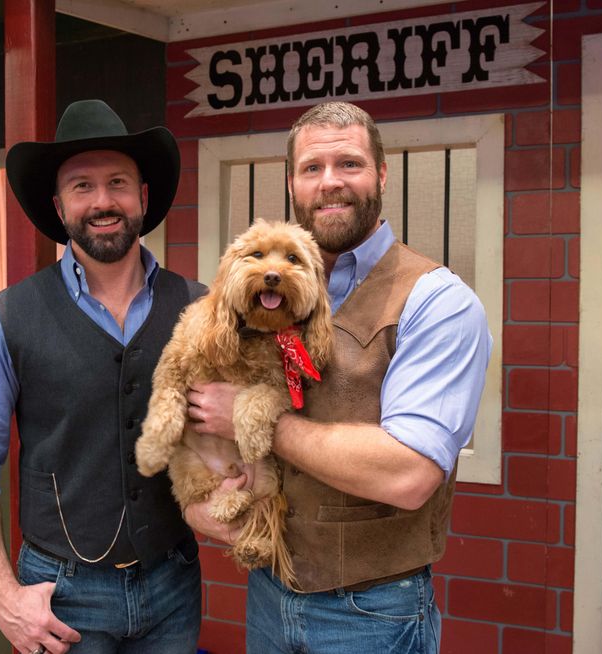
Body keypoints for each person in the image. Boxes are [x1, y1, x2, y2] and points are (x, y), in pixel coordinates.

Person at [184, 101, 493, 653]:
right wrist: (200, 501)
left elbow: (409, 473)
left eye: (349, 163)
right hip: (270, 591)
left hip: (372, 613)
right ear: (291, 184)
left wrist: (253, 419)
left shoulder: (437, 301)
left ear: (381, 173)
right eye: (312, 168)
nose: (330, 182)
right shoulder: (264, 293)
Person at [0, 100, 207, 654]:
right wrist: (1, 595)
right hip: (61, 596)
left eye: (118, 183)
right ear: (59, 207)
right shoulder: (7, 317)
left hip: (174, 584)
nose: (103, 201)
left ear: (143, 196)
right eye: (82, 186)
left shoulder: (199, 307)